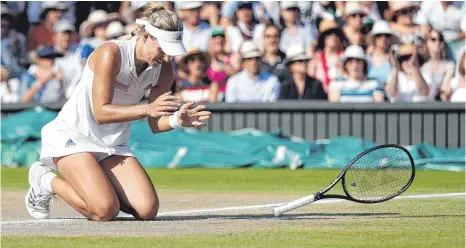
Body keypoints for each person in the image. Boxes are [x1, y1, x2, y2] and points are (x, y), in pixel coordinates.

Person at [25, 3, 211, 221]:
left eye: (171, 51)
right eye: (163, 48)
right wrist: (148, 109)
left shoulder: (165, 69)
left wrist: (177, 120)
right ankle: (44, 180)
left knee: (147, 210)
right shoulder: (110, 53)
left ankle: (97, 179)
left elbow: (155, 124)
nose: (167, 57)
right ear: (147, 36)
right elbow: (101, 113)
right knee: (104, 210)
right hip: (73, 136)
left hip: (112, 145)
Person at [310, 19, 348, 92]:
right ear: (323, 38)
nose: (333, 37)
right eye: (329, 34)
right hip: (319, 96)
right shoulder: (316, 58)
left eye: (336, 34)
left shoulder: (345, 57)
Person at [421, 29, 455, 101]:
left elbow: (444, 89)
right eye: (433, 39)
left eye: (440, 39)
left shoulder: (450, 65)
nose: (438, 42)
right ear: (426, 43)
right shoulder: (422, 67)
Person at [367, 20, 398, 85]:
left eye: (387, 35)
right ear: (374, 39)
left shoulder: (395, 58)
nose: (383, 39)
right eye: (379, 35)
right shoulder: (367, 57)